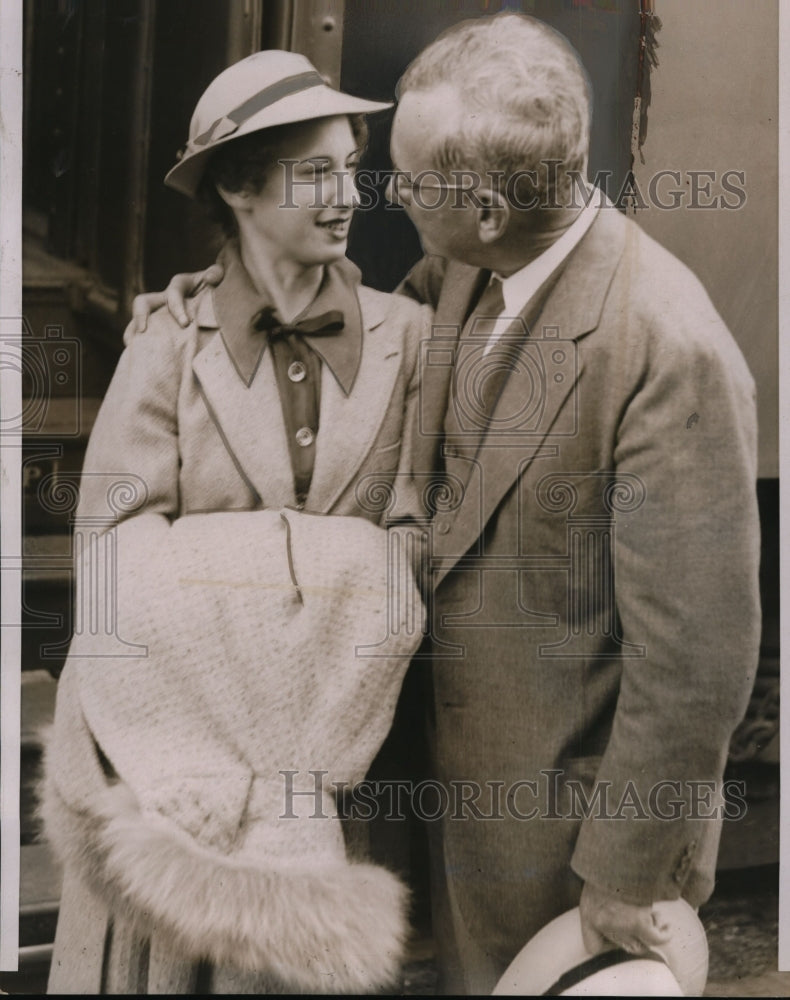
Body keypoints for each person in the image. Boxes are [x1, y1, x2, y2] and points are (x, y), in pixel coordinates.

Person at [130, 14, 761, 995]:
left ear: (489, 209)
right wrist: (210, 305)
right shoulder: (458, 270)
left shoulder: (665, 348)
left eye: (411, 179)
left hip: (566, 847)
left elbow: (697, 665)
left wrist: (627, 872)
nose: (385, 193)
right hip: (431, 804)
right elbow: (344, 325)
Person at [40, 50, 434, 994]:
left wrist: (312, 593)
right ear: (237, 186)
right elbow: (114, 559)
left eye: (351, 166)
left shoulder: (408, 338)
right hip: (174, 776)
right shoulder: (169, 344)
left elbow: (416, 536)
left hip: (330, 762)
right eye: (316, 172)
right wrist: (320, 564)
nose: (347, 194)